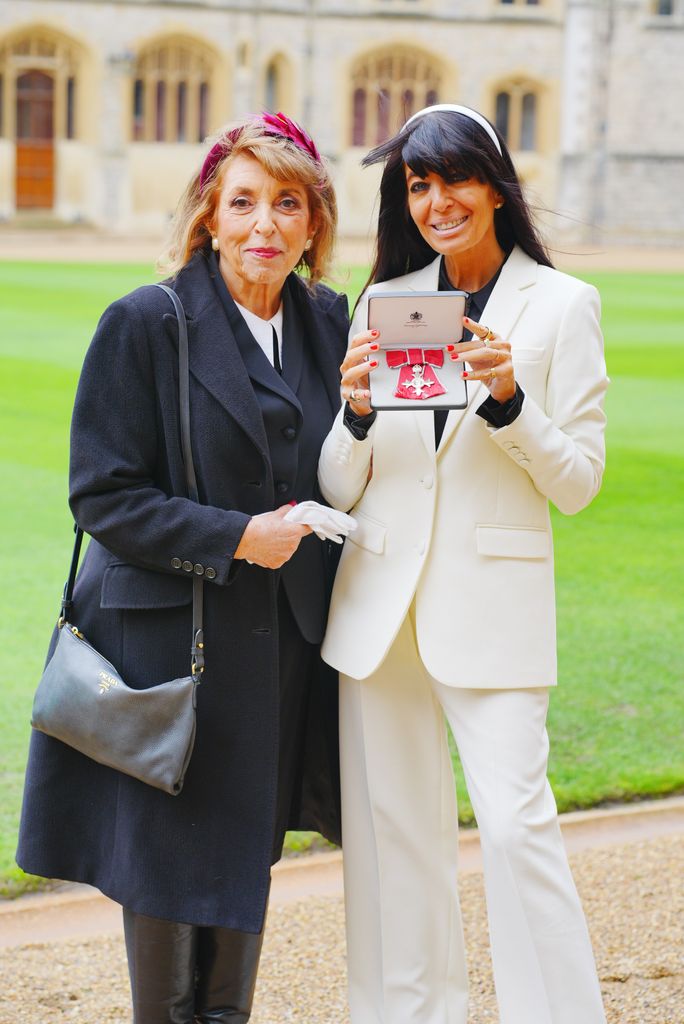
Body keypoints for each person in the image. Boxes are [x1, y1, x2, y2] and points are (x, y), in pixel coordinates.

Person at [17, 113, 347, 1024]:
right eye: (242, 204)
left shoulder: (329, 320)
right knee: (169, 874)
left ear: (315, 220)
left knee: (245, 860)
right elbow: (103, 497)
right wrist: (238, 535)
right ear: (208, 216)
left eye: (287, 203)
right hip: (170, 653)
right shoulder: (144, 323)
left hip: (278, 652)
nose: (264, 227)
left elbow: (350, 460)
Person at [317, 104, 609, 1024]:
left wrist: (510, 400)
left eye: (454, 180)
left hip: (492, 606)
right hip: (380, 608)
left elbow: (579, 483)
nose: (437, 202)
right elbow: (340, 483)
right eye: (418, 185)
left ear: (494, 186)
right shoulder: (387, 301)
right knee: (395, 839)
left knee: (519, 831)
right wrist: (355, 412)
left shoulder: (563, 307)